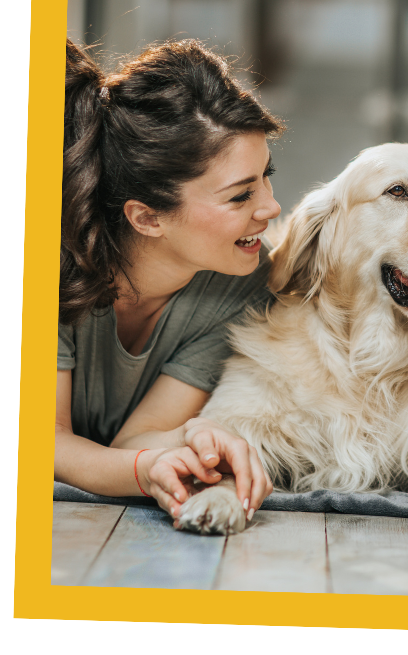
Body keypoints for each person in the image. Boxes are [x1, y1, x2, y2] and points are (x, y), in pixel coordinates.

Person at [57, 38, 284, 525]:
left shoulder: (242, 284)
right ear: (147, 217)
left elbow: (136, 439)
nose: (270, 207)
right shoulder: (56, 264)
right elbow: (41, 442)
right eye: (241, 196)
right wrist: (147, 469)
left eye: (267, 176)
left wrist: (194, 442)